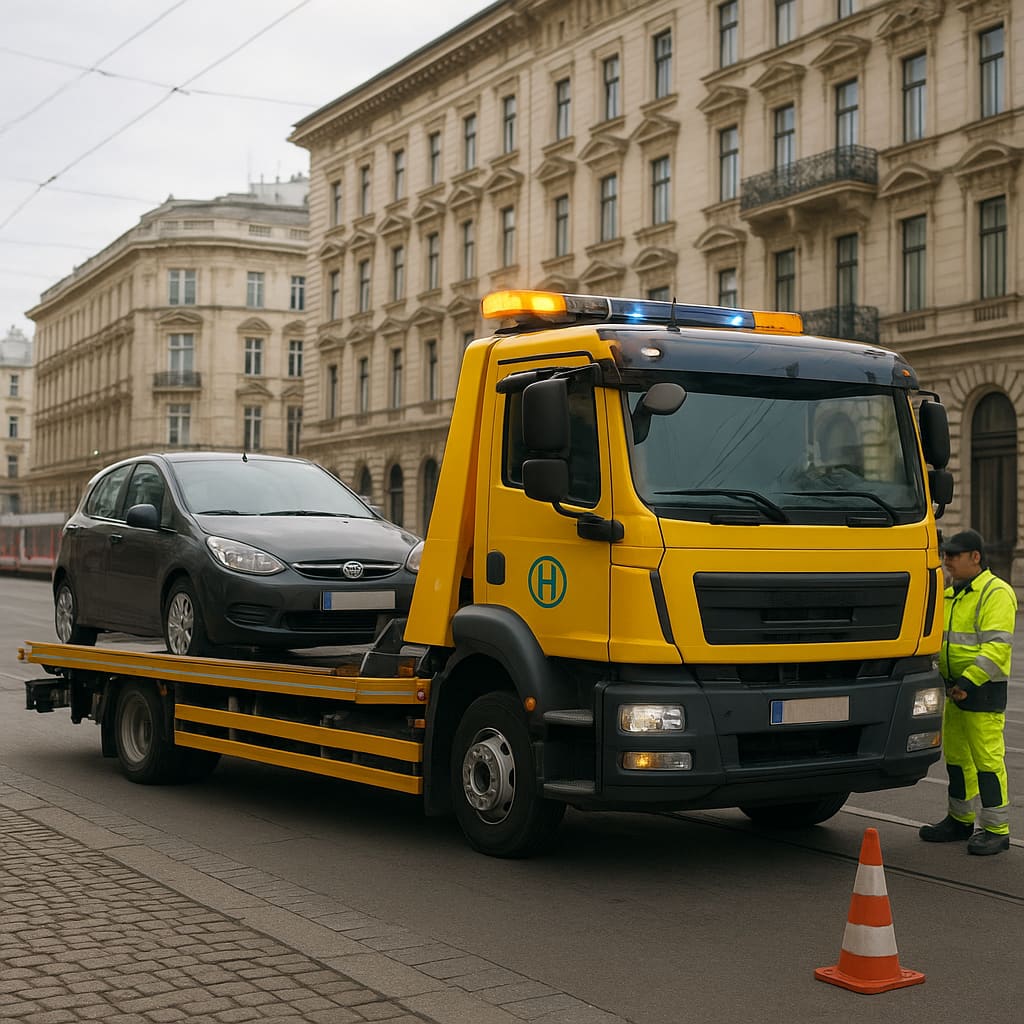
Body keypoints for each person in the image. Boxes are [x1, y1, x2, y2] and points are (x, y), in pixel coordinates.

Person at [919, 529, 1017, 855]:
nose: (947, 560)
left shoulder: (995, 593)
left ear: (975, 557)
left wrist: (969, 683)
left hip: (981, 690)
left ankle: (996, 830)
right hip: (954, 689)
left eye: (954, 555)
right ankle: (959, 821)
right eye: (946, 554)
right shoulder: (950, 593)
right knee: (958, 759)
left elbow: (996, 649)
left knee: (987, 759)